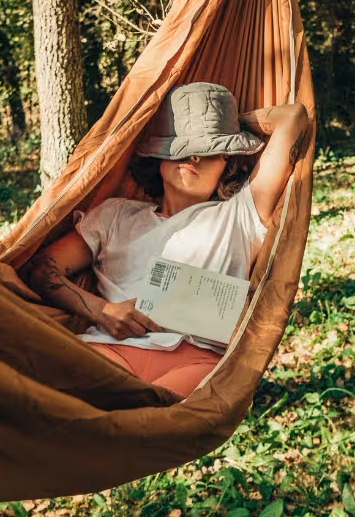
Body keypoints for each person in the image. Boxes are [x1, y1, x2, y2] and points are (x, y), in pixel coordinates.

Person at [28, 82, 308, 399]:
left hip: (199, 362)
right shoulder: (115, 216)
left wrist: (230, 123)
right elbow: (42, 269)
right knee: (54, 395)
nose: (193, 157)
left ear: (227, 164)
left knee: (148, 419)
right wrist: (102, 310)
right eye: (180, 147)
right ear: (159, 160)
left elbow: (293, 117)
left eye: (209, 150)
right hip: (112, 349)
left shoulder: (241, 213)